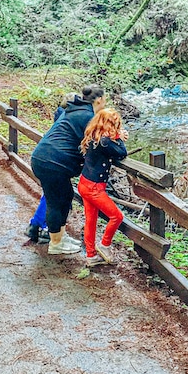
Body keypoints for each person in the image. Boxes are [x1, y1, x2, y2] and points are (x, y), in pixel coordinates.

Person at [31, 85, 106, 255]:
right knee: (56, 202)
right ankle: (56, 244)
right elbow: (99, 143)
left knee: (64, 198)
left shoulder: (75, 110)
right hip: (52, 162)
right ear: (100, 100)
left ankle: (59, 236)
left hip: (45, 158)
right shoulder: (88, 116)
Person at [78, 108, 128, 267]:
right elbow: (121, 152)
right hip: (94, 188)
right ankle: (104, 245)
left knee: (91, 220)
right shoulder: (105, 141)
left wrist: (117, 136)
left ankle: (91, 255)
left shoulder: (94, 135)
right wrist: (119, 138)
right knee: (117, 216)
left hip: (84, 183)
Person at [26, 93, 77, 244]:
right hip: (57, 162)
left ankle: (35, 225)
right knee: (54, 198)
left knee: (49, 195)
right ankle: (48, 231)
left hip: (49, 159)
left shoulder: (60, 114)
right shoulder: (68, 117)